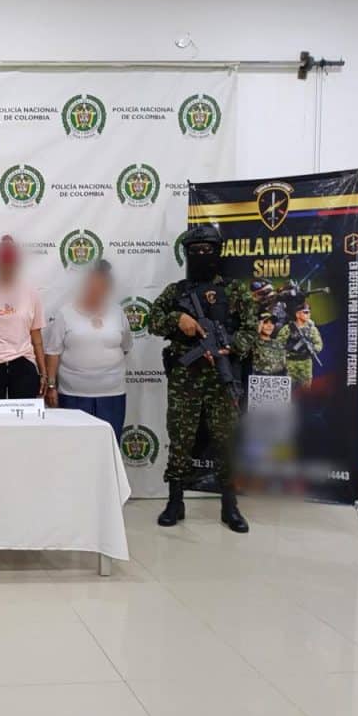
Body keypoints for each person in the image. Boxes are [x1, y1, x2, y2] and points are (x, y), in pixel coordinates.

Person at [147, 223, 255, 533]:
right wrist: (177, 319)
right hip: (185, 378)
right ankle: (175, 501)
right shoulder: (176, 292)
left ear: (218, 253)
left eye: (207, 250)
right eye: (195, 251)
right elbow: (152, 321)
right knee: (181, 438)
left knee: (226, 440)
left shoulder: (234, 291)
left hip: (222, 377)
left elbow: (251, 330)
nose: (201, 255)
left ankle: (229, 505)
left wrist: (228, 346)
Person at [43, 260, 132, 438]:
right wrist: (51, 386)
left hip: (112, 396)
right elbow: (52, 352)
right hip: (73, 396)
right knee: (75, 445)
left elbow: (126, 347)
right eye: (92, 284)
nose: (96, 289)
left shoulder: (118, 313)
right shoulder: (65, 314)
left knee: (108, 443)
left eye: (101, 285)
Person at [0, 236, 47, 401]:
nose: (7, 268)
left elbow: (36, 337)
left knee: (24, 416)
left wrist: (43, 373)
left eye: (10, 264)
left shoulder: (31, 293)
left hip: (23, 362)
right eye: (3, 264)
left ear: (17, 265)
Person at [285, 302, 323, 388]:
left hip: (306, 364)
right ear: (297, 314)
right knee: (288, 388)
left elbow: (319, 345)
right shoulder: (288, 328)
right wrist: (291, 347)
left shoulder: (312, 329)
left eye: (309, 312)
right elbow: (279, 343)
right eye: (305, 312)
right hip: (290, 363)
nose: (308, 314)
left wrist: (311, 348)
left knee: (305, 390)